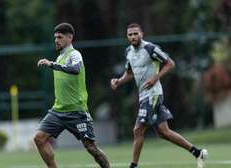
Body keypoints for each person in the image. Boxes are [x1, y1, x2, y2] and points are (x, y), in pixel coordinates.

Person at [110, 23, 208, 168]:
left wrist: (155, 77)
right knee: (163, 132)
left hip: (153, 94)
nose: (133, 36)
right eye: (130, 34)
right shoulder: (128, 52)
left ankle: (133, 166)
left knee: (138, 130)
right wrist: (119, 81)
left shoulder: (150, 48)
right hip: (143, 95)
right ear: (127, 36)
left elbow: (170, 63)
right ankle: (197, 152)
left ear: (141, 34)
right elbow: (130, 73)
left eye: (135, 33)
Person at [34, 22, 110, 168]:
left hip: (77, 112)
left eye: (60, 37)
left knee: (91, 148)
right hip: (58, 111)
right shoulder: (59, 57)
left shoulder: (74, 54)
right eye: (55, 37)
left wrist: (52, 65)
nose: (56, 40)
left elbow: (75, 69)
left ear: (69, 38)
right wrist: (54, 64)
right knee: (39, 138)